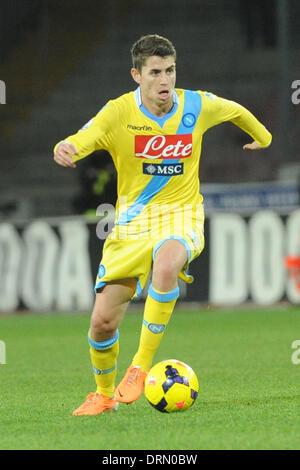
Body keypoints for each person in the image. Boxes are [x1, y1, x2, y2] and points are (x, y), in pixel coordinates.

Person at [53, 34, 272, 416]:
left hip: (182, 213)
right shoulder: (119, 112)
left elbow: (236, 110)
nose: (164, 80)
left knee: (168, 264)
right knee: (102, 323)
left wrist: (263, 138)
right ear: (136, 75)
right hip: (132, 223)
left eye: (169, 70)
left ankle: (140, 366)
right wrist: (66, 146)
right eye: (155, 72)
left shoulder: (196, 105)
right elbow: (85, 137)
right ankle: (104, 396)